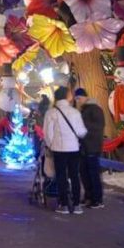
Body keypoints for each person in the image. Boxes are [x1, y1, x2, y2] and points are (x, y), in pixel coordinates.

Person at [42, 86, 87, 215]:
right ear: (67, 96)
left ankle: (64, 205)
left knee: (61, 176)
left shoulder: (51, 113)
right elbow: (81, 131)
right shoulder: (74, 112)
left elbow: (47, 133)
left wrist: (51, 144)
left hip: (59, 149)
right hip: (73, 149)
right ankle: (77, 204)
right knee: (74, 176)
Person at [74, 88, 105, 209]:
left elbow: (98, 127)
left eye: (79, 98)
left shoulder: (95, 109)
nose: (78, 101)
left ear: (86, 97)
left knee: (93, 174)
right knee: (84, 173)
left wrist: (82, 124)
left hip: (92, 146)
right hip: (84, 147)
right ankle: (88, 196)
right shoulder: (83, 110)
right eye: (76, 98)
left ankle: (97, 199)